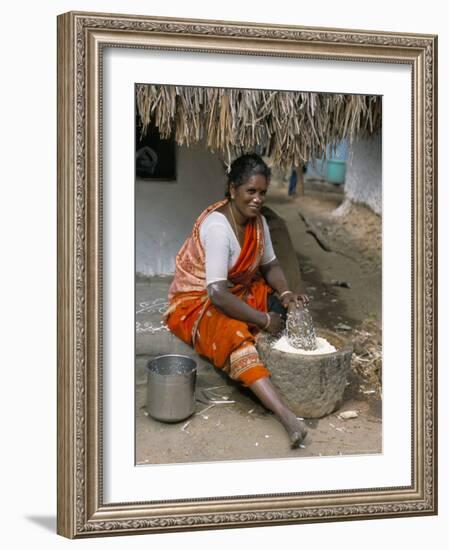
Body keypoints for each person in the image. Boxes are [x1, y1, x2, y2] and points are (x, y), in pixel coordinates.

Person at [165, 153, 309, 448]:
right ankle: (285, 415)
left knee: (286, 306)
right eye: (250, 192)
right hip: (199, 300)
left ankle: (279, 370)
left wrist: (285, 294)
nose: (257, 199)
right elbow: (217, 293)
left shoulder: (258, 223)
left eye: (262, 192)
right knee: (234, 334)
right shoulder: (219, 228)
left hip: (236, 289)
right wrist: (264, 320)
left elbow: (270, 265)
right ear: (233, 190)